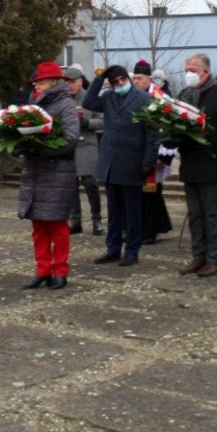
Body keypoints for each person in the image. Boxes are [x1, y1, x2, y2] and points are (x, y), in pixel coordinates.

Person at [83, 64, 159, 266]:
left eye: (122, 79)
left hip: (132, 161)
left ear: (128, 79)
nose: (120, 83)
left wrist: (149, 161)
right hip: (111, 161)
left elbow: (153, 133)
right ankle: (113, 248)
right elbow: (88, 102)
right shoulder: (109, 97)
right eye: (115, 81)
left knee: (132, 212)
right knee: (114, 209)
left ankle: (132, 250)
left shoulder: (144, 99)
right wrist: (100, 78)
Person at [176, 53, 217, 278]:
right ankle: (199, 256)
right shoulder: (184, 95)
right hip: (190, 164)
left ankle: (214, 259)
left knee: (212, 215)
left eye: (192, 70)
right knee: (195, 215)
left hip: (213, 165)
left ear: (205, 71)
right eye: (186, 70)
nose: (188, 74)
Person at [18, 62, 80, 291]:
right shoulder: (34, 104)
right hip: (35, 171)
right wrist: (19, 144)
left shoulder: (66, 104)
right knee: (38, 225)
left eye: (41, 82)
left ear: (53, 82)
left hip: (57, 171)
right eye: (36, 83)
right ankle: (42, 270)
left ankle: (60, 271)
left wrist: (43, 149)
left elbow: (70, 138)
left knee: (57, 225)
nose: (36, 85)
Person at [130, 60, 173, 244]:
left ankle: (150, 231)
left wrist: (163, 155)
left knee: (152, 193)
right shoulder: (133, 96)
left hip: (156, 153)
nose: (136, 82)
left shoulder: (160, 98)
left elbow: (168, 128)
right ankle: (141, 228)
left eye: (140, 78)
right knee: (137, 193)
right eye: (134, 78)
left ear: (149, 78)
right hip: (136, 152)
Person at [64, 66, 104, 235]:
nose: (70, 85)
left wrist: (88, 123)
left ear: (80, 81)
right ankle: (75, 220)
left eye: (73, 82)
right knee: (71, 185)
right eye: (67, 82)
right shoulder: (63, 100)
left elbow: (103, 121)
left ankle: (96, 219)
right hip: (69, 145)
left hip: (87, 144)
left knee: (90, 183)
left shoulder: (90, 98)